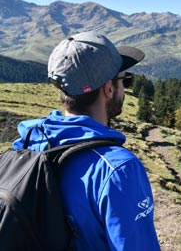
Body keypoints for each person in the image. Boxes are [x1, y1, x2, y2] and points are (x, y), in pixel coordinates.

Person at [12, 31, 160, 250]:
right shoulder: (118, 168)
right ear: (109, 88)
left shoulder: (28, 143)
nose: (125, 88)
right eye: (125, 80)